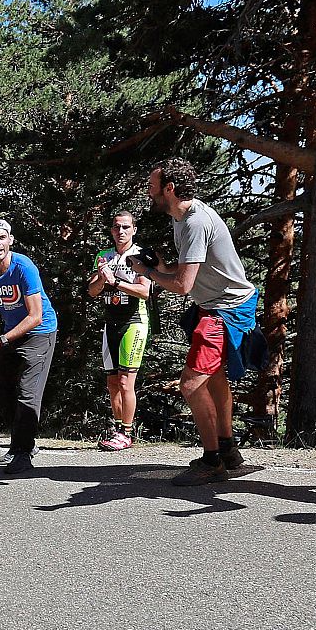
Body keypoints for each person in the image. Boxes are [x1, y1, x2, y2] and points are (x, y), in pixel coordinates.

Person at [129, 158, 260, 486]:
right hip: (216, 306)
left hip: (225, 309)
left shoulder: (194, 222)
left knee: (190, 384)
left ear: (169, 189)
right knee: (213, 377)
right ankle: (228, 450)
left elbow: (183, 286)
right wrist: (163, 265)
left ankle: (212, 460)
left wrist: (147, 273)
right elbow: (188, 268)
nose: (148, 191)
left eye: (152, 185)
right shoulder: (182, 216)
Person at [0, 219, 57, 476]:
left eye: (1, 238)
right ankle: (22, 442)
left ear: (10, 240)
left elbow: (36, 316)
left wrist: (1, 341)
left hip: (39, 333)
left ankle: (22, 452)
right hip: (11, 335)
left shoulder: (23, 267)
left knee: (27, 392)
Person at [87, 211, 155, 452]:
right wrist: (102, 279)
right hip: (110, 323)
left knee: (127, 381)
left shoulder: (141, 255)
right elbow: (92, 291)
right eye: (117, 227)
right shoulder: (103, 256)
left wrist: (115, 282)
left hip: (134, 322)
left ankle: (127, 432)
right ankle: (118, 430)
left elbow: (145, 291)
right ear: (111, 230)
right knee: (112, 382)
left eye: (126, 227)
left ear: (134, 229)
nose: (121, 231)